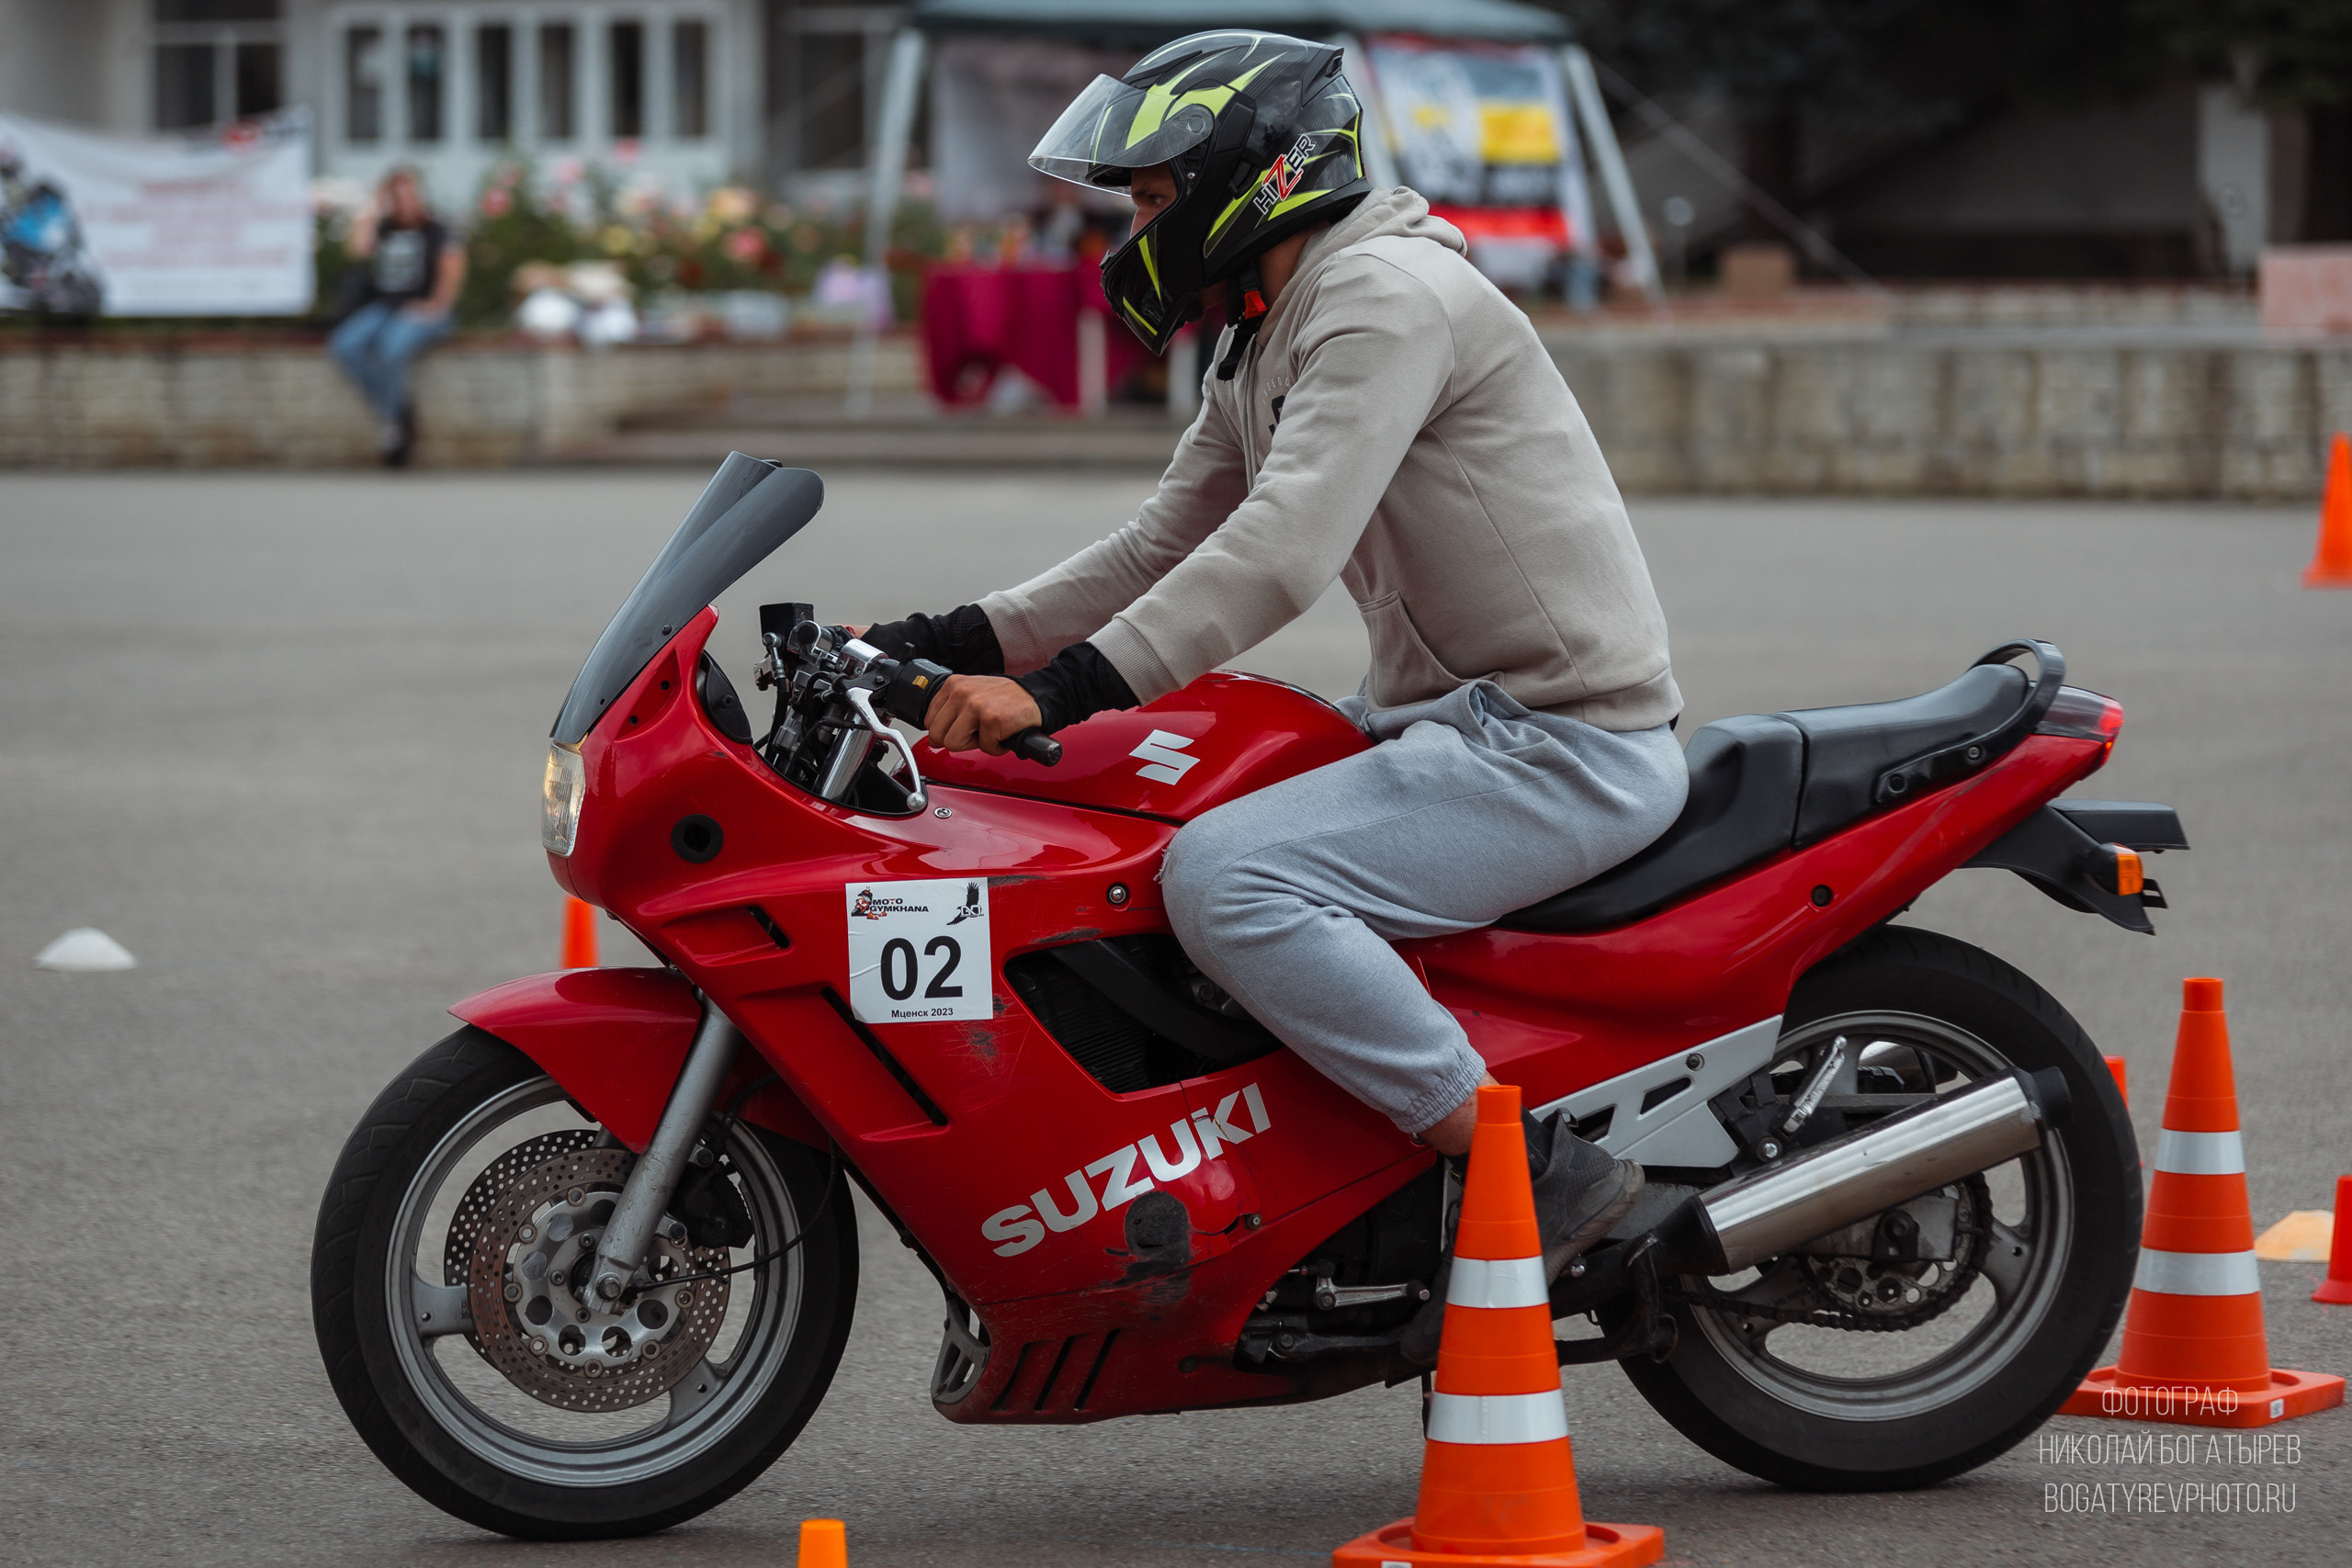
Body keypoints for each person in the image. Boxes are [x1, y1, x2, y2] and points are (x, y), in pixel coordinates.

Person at [862, 31, 1687, 1363]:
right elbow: (1157, 543)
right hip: (1445, 720)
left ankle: (1518, 1157)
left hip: (1559, 742)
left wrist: (1062, 685)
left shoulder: (1384, 300)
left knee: (1229, 877)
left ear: (1247, 179)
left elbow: (1282, 545)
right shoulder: (1265, 332)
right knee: (1156, 792)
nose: (1130, 231)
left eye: (1147, 199)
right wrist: (932, 639)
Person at [328, 169, 464, 467]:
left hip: (423, 308)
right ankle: (397, 414)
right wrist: (372, 207)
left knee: (391, 348)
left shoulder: (437, 228)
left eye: (409, 192)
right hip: (386, 307)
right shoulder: (384, 226)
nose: (404, 200)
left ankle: (393, 429)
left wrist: (437, 305)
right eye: (397, 194)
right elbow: (356, 251)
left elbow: (452, 268)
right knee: (344, 345)